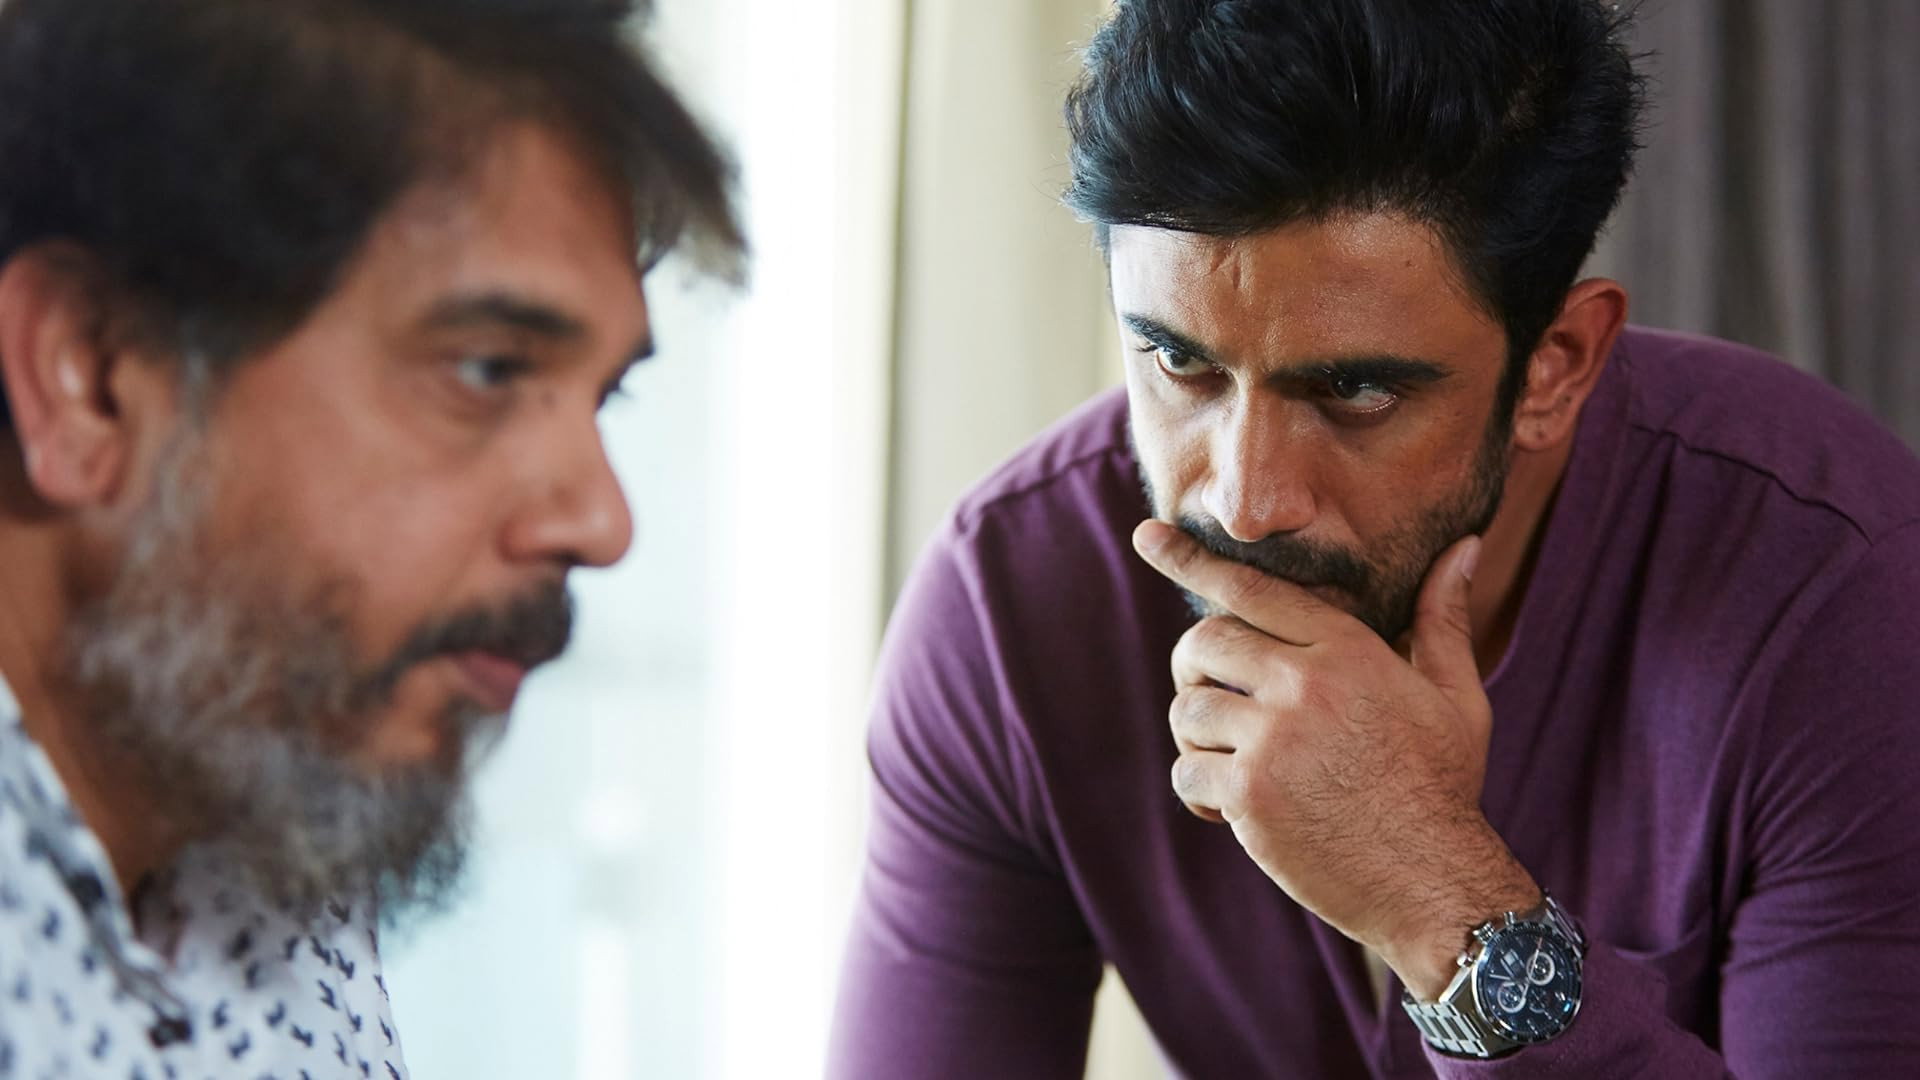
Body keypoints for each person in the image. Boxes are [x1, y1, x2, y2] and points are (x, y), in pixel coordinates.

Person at [830, 0, 1920, 1076]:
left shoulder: (1837, 589)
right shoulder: (1010, 606)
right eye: (1180, 363)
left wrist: (1441, 900)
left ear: (1555, 368)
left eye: (1353, 392)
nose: (1246, 501)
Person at [0, 0, 741, 1075]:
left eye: (602, 398)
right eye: (486, 370)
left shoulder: (261, 804)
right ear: (92, 377)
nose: (602, 521)